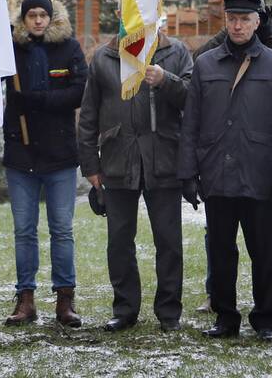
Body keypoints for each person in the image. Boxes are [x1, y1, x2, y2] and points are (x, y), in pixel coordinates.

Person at [179, 0, 272, 341]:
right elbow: (191, 123)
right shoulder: (206, 64)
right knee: (220, 252)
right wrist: (188, 173)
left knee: (263, 253)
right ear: (225, 21)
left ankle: (264, 318)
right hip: (216, 174)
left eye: (245, 19)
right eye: (232, 18)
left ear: (257, 23)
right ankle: (226, 318)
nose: (237, 25)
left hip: (259, 175)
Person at [76, 29, 193, 332]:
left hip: (164, 158)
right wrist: (90, 164)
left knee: (168, 242)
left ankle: (169, 312)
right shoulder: (104, 57)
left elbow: (194, 100)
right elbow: (88, 114)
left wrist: (166, 80)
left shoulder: (176, 52)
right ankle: (125, 309)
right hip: (117, 159)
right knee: (119, 241)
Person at [1, 0, 88, 327]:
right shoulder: (9, 50)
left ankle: (65, 301)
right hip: (21, 154)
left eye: (42, 15)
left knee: (62, 230)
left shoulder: (68, 48)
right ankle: (25, 299)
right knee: (24, 231)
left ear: (52, 18)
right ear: (23, 20)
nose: (37, 20)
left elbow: (79, 90)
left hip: (60, 155)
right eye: (31, 15)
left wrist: (37, 100)